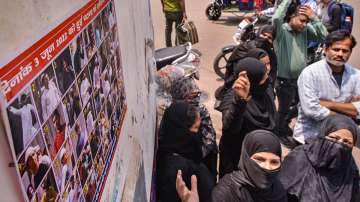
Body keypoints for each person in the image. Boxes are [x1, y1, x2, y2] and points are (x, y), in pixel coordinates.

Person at [272, 0, 327, 139]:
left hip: (300, 80)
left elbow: (325, 37)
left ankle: (283, 125)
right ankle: (279, 132)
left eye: (306, 22)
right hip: (284, 81)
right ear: (292, 17)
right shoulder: (282, 30)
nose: (304, 24)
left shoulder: (305, 30)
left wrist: (314, 18)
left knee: (299, 106)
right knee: (284, 109)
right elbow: (277, 17)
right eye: (302, 20)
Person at [294, 30, 360, 144]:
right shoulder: (310, 73)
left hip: (340, 140)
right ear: (325, 49)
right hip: (310, 138)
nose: (340, 54)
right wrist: (347, 112)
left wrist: (328, 104)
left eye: (345, 51)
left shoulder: (356, 75)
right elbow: (311, 109)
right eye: (336, 49)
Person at [217, 58, 276, 177]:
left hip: (262, 157)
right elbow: (230, 127)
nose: (268, 80)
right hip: (238, 160)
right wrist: (240, 101)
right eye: (264, 78)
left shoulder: (266, 92)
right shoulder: (232, 98)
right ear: (253, 80)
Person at [280, 114, 360, 201]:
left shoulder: (350, 168)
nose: (339, 145)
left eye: (347, 142)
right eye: (334, 138)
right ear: (322, 135)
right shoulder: (300, 157)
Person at [156, 101, 214, 202]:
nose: (198, 133)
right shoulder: (180, 173)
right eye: (195, 128)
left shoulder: (166, 154)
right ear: (180, 130)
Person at [212, 130, 287, 202]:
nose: (267, 167)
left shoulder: (278, 190)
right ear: (246, 159)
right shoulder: (226, 193)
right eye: (260, 159)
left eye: (274, 162)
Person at [170, 77, 218, 182]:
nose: (196, 99)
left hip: (203, 159)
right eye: (192, 96)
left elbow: (209, 140)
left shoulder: (200, 110)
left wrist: (194, 160)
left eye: (197, 95)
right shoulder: (174, 114)